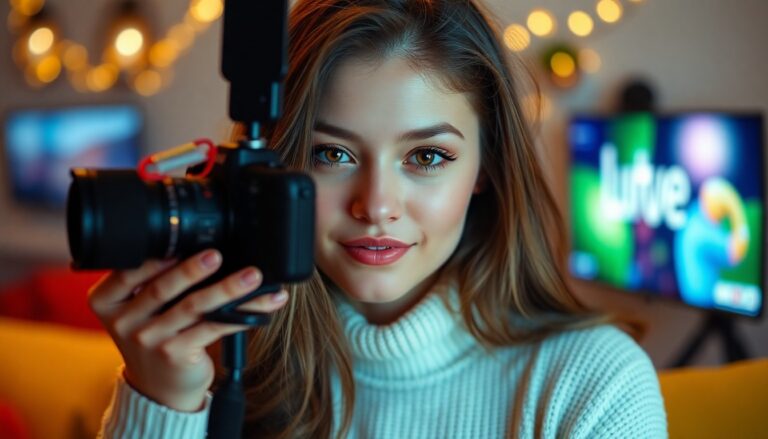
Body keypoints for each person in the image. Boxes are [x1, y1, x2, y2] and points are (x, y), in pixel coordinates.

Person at [92, 0, 668, 437]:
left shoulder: (594, 384)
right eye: (331, 154)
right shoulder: (208, 367)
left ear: (485, 169)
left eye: (427, 157)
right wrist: (160, 406)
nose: (376, 205)